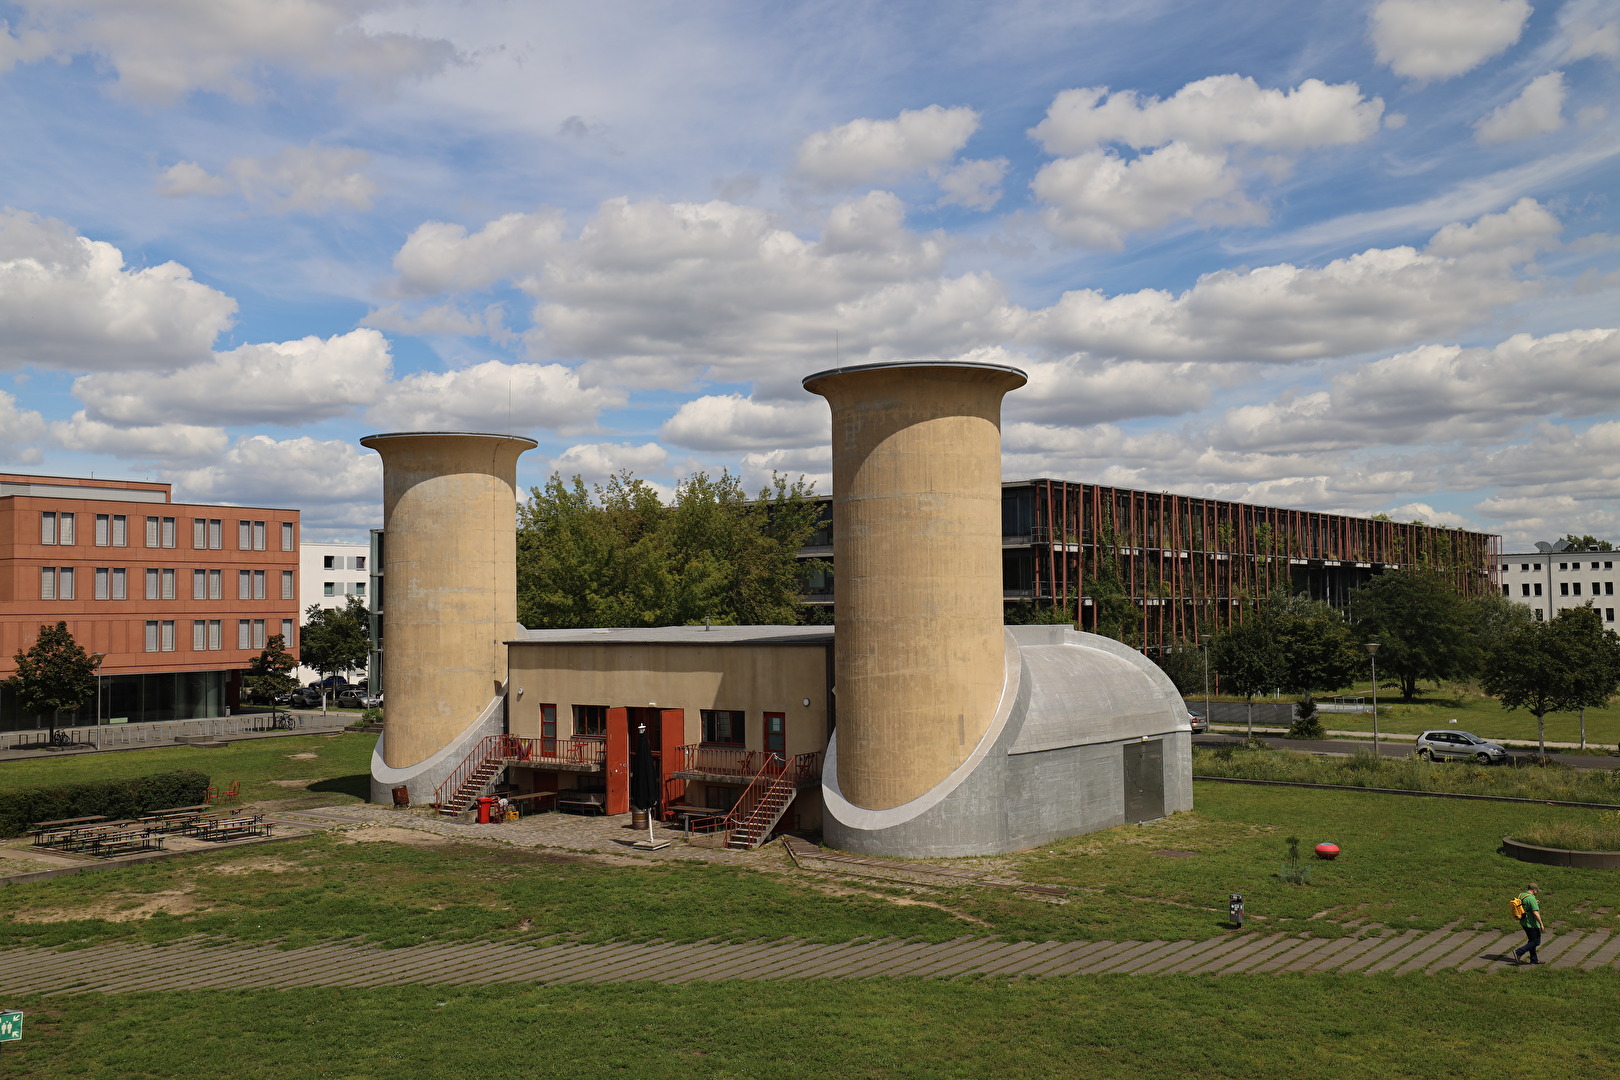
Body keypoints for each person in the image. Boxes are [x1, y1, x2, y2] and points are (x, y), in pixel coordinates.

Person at [1513, 883, 1544, 965]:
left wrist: (1535, 902)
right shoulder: (1531, 899)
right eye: (1537, 891)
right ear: (1534, 890)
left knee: (1531, 941)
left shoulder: (1522, 895)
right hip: (1531, 924)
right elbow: (1535, 913)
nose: (1537, 892)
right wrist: (1541, 924)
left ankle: (1534, 959)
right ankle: (1519, 952)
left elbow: (1525, 904)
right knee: (1536, 942)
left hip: (1524, 922)